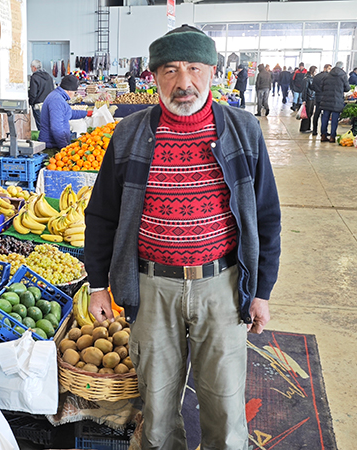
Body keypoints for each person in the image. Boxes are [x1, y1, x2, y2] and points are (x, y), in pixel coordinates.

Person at [84, 24, 281, 449]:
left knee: (226, 409)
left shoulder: (243, 131)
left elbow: (266, 217)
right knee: (155, 412)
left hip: (222, 287)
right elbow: (101, 215)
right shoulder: (130, 133)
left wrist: (261, 290)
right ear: (154, 77)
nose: (184, 82)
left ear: (213, 71)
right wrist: (98, 284)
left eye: (194, 68)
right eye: (170, 70)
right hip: (152, 287)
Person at [38, 75, 87, 150]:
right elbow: (56, 128)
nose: (74, 95)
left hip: (55, 144)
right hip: (52, 146)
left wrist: (86, 113)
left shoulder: (59, 97)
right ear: (69, 90)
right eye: (75, 92)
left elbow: (68, 113)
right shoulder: (56, 100)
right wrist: (64, 147)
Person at [317, 62, 350, 142]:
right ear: (342, 68)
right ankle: (332, 137)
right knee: (334, 120)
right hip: (337, 101)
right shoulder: (343, 76)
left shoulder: (327, 75)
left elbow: (321, 87)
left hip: (326, 100)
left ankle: (323, 135)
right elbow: (347, 88)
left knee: (325, 118)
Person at [28, 59, 55, 127]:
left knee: (40, 126)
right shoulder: (49, 76)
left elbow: (33, 93)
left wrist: (31, 103)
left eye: (31, 67)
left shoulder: (34, 77)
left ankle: (42, 138)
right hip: (49, 104)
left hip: (38, 105)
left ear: (34, 67)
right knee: (48, 125)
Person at [311, 64, 332, 137]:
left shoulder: (316, 76)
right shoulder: (328, 77)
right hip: (325, 97)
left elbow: (312, 87)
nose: (330, 70)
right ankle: (324, 132)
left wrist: (317, 91)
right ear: (325, 68)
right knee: (325, 115)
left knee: (316, 114)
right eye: (329, 68)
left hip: (318, 97)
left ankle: (314, 130)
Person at [300, 65, 318, 133]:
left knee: (310, 113)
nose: (316, 72)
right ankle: (304, 128)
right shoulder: (307, 79)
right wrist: (304, 99)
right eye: (315, 71)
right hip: (308, 98)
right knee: (307, 113)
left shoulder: (311, 78)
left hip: (312, 97)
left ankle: (307, 127)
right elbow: (304, 90)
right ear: (312, 71)